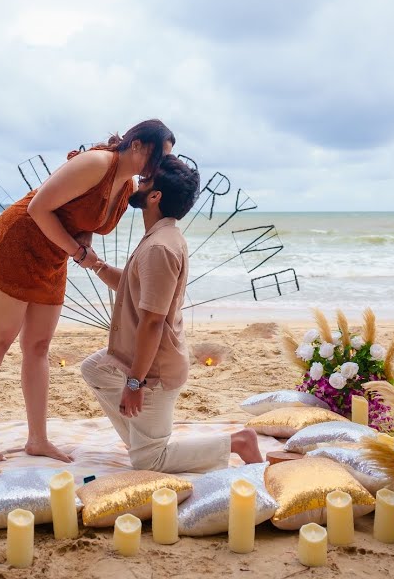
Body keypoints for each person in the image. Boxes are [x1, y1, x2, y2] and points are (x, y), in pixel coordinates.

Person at [0, 119, 178, 462]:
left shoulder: (126, 186)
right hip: (20, 242)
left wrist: (82, 247)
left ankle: (38, 439)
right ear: (137, 145)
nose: (161, 166)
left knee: (39, 346)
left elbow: (83, 222)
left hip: (53, 256)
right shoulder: (97, 163)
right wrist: (78, 253)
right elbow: (37, 208)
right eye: (159, 156)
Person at [79, 155, 263, 472]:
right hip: (141, 356)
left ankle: (238, 442)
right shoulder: (161, 239)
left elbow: (152, 322)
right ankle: (142, 441)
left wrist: (134, 384)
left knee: (149, 462)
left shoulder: (159, 248)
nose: (137, 181)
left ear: (155, 196)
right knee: (95, 369)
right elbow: (132, 285)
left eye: (145, 180)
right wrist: (96, 264)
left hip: (155, 371)